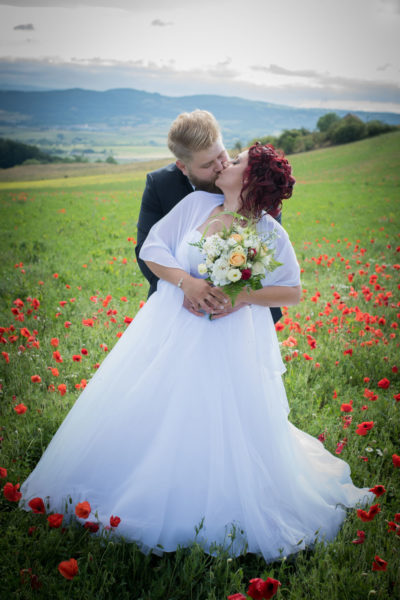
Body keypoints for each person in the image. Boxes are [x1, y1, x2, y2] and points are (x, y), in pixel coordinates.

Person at [19, 143, 373, 563]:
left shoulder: (268, 231)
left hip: (228, 341)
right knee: (153, 404)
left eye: (236, 161)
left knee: (218, 416)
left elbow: (293, 291)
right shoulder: (194, 204)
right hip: (170, 326)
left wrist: (240, 295)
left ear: (250, 178)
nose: (227, 163)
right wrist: (187, 284)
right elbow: (153, 248)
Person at [135, 109, 283, 323]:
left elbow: (271, 251)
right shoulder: (160, 185)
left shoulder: (253, 181)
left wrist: (242, 298)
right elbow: (145, 249)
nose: (220, 166)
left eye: (222, 155)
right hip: (181, 307)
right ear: (183, 167)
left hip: (246, 312)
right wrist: (182, 288)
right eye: (207, 165)